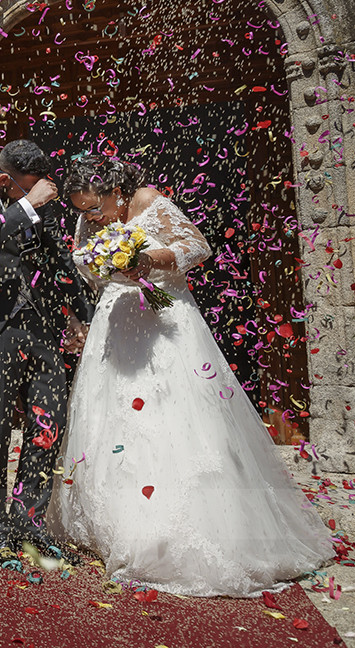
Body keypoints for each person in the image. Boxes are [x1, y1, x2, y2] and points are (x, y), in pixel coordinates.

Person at [51, 153, 334, 596]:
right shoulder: (89, 221)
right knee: (114, 423)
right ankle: (120, 527)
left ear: (114, 189)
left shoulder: (148, 201)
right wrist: (103, 270)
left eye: (94, 206)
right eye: (82, 211)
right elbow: (88, 268)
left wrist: (149, 259)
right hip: (114, 326)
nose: (90, 217)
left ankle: (184, 530)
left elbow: (197, 246)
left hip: (163, 327)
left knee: (173, 419)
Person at [0, 139, 94, 571]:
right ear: (7, 179)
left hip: (41, 324)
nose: (36, 196)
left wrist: (83, 315)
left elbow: (55, 255)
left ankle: (29, 521)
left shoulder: (32, 197)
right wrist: (27, 205)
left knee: (50, 418)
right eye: (24, 190)